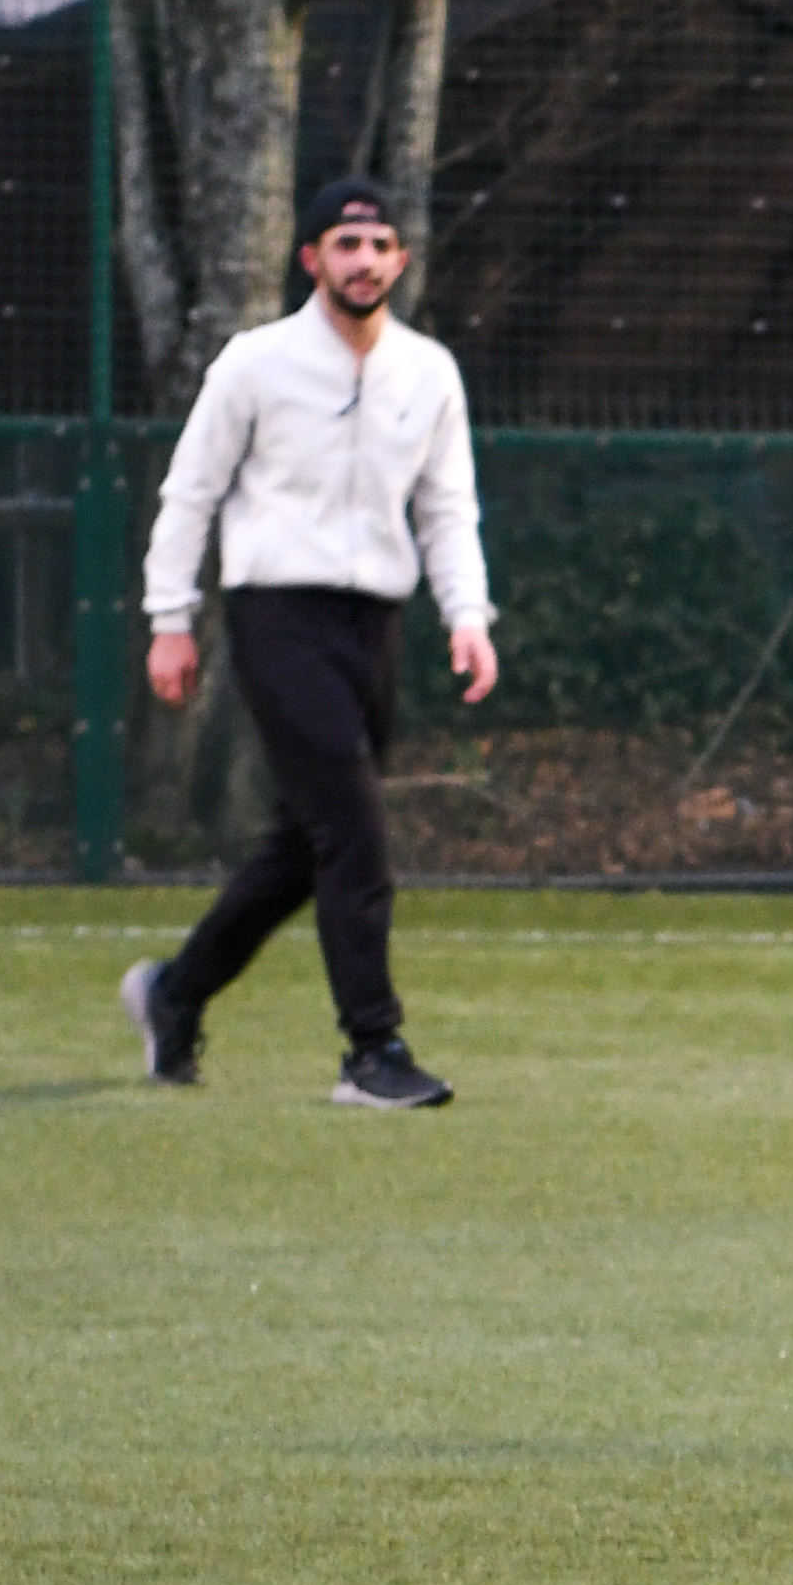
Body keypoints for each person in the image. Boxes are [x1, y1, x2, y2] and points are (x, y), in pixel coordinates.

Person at [121, 174, 496, 1111]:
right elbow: (191, 493)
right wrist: (170, 621)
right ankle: (372, 1052)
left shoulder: (429, 372)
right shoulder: (255, 363)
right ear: (312, 260)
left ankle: (175, 992)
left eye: (379, 247)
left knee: (307, 843)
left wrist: (468, 617)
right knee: (357, 834)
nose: (363, 262)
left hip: (374, 625)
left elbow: (447, 508)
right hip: (276, 616)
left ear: (400, 261)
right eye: (345, 245)